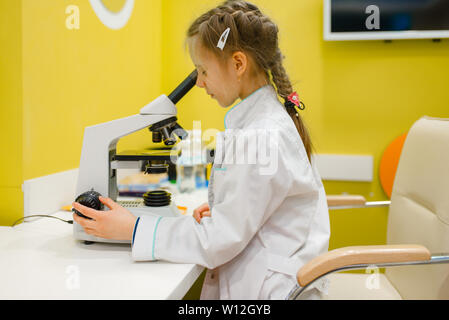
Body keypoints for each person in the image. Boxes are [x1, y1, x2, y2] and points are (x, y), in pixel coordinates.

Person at [72, 0, 330, 300]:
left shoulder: (263, 135)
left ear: (238, 64)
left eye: (203, 71)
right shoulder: (264, 120)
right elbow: (262, 204)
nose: (200, 83)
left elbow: (219, 240)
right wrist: (227, 206)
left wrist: (134, 229)